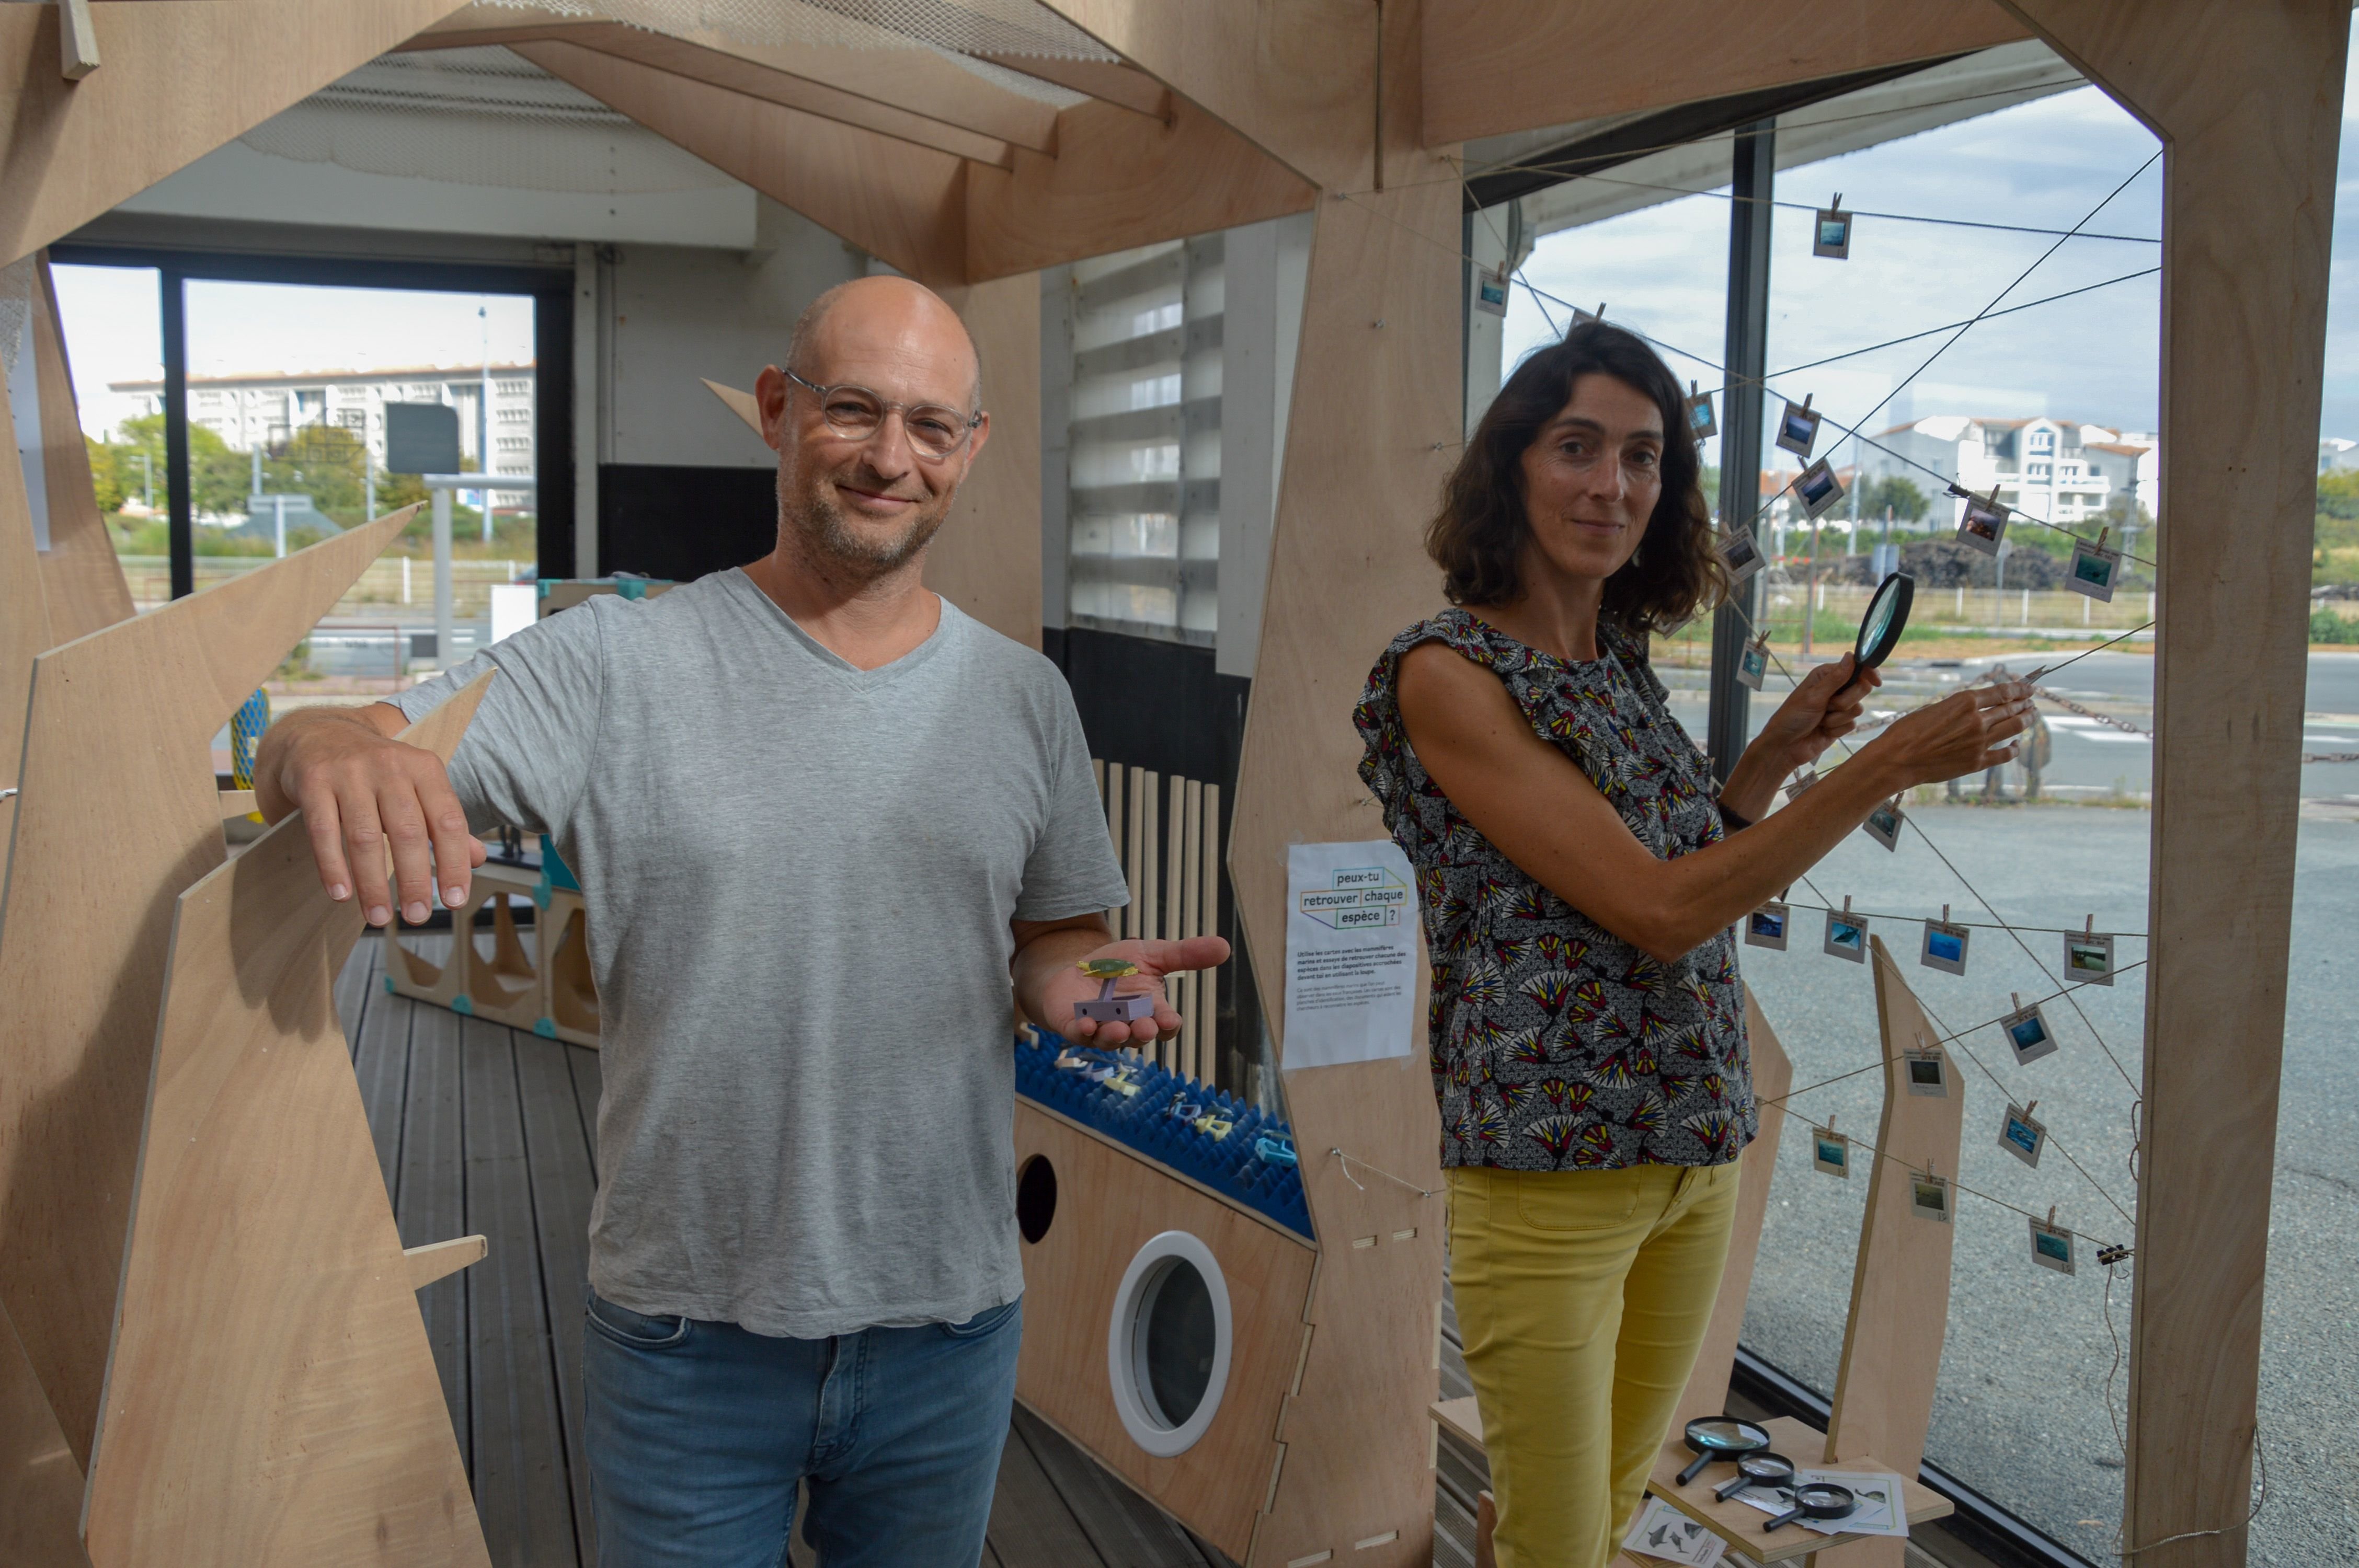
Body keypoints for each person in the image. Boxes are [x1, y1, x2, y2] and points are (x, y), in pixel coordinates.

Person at [257, 275, 1228, 1568]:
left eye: (932, 426)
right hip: (688, 1331)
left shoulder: (1025, 700)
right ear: (778, 411)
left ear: (972, 448)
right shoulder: (615, 665)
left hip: (948, 1323)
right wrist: (319, 746)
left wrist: (1072, 983)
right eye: (853, 410)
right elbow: (335, 742)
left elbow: (1056, 934)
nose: (892, 457)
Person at [1352, 322, 2030, 1568]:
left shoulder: (1611, 662)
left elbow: (1682, 858)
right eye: (1577, 447)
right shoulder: (1448, 674)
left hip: (1694, 1147)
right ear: (1512, 466)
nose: (1612, 484)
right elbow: (1662, 911)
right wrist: (1886, 766)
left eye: (1644, 457)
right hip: (1550, 1173)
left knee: (1604, 1518)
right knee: (1560, 1547)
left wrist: (1780, 754)